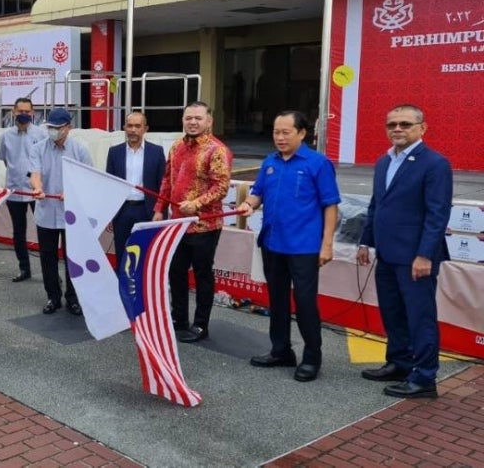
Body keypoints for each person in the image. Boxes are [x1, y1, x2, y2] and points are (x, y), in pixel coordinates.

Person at [356, 105, 452, 398]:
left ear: (422, 128)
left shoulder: (435, 164)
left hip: (415, 258)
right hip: (386, 254)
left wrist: (425, 254)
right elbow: (377, 205)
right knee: (393, 313)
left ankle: (424, 378)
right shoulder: (384, 162)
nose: (397, 129)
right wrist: (365, 241)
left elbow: (438, 214)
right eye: (392, 124)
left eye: (405, 124)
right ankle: (399, 363)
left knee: (420, 317)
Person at [239, 111, 341, 383]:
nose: (280, 137)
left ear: (302, 133)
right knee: (278, 300)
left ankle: (312, 358)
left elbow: (330, 205)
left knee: (306, 303)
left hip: (304, 247)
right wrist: (249, 203)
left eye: (286, 132)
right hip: (273, 243)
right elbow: (258, 192)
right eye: (276, 132)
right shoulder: (269, 162)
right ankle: (281, 350)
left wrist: (327, 244)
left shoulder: (318, 163)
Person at [152, 101, 232, 343]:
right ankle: (179, 319)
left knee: (202, 275)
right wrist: (159, 209)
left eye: (198, 118)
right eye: (189, 118)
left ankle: (200, 324)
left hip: (204, 225)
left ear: (209, 121)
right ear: (183, 120)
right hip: (176, 223)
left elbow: (222, 186)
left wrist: (196, 203)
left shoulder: (217, 150)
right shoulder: (176, 147)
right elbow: (167, 180)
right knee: (176, 272)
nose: (193, 122)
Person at [29, 107, 93, 316]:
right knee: (47, 258)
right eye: (50, 127)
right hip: (46, 212)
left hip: (71, 215)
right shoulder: (38, 148)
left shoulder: (80, 150)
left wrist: (73, 191)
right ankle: (52, 297)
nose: (53, 131)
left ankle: (73, 298)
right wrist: (37, 188)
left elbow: (87, 178)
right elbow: (35, 173)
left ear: (68, 128)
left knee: (72, 258)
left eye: (57, 128)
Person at [106, 111, 166, 275]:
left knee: (147, 252)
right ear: (124, 127)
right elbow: (109, 185)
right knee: (123, 253)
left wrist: (160, 210)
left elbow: (163, 184)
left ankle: (142, 291)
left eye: (137, 126)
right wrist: (110, 213)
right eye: (130, 126)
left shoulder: (157, 152)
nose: (133, 130)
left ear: (145, 128)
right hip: (122, 210)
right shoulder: (114, 152)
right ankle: (123, 291)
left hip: (147, 210)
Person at [0, 98, 46, 282]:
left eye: (27, 111)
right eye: (20, 111)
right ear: (13, 112)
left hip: (36, 191)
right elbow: (5, 160)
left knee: (44, 232)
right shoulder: (6, 136)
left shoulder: (41, 135)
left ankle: (50, 272)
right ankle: (24, 268)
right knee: (19, 232)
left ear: (33, 113)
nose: (24, 114)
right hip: (15, 190)